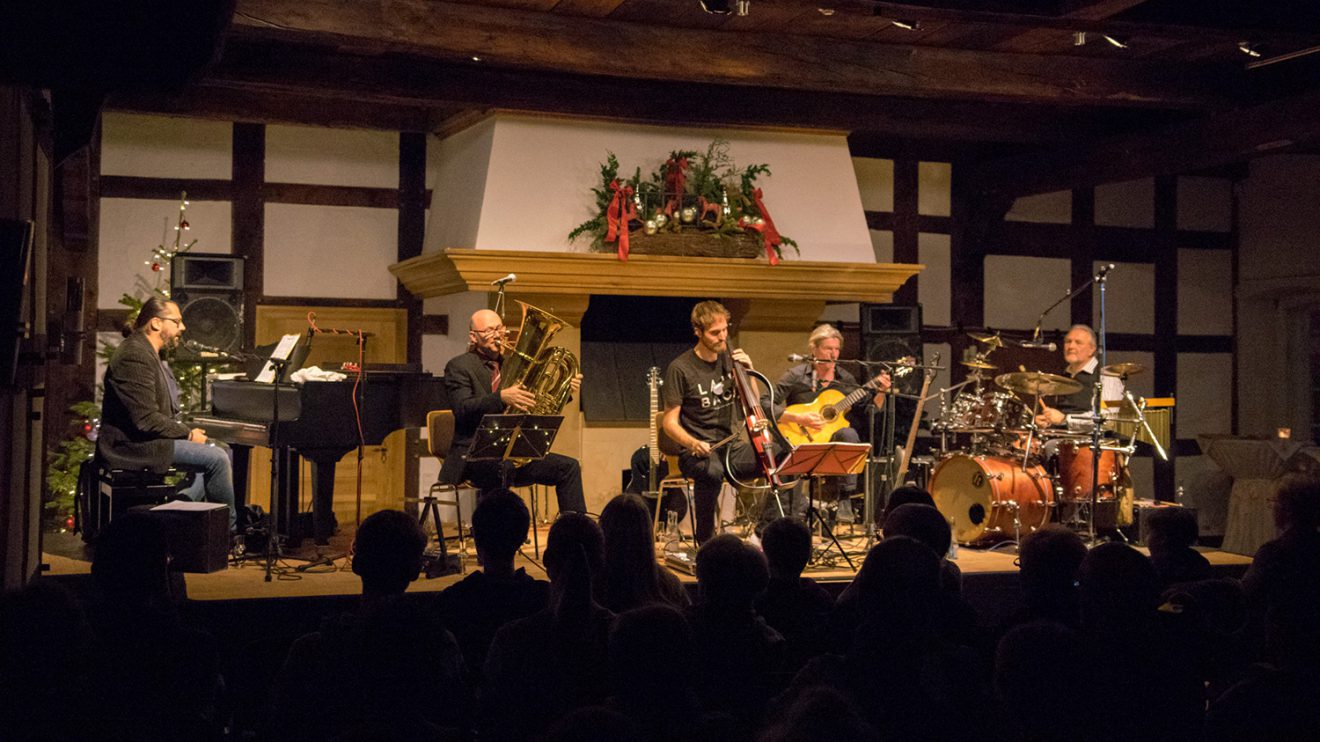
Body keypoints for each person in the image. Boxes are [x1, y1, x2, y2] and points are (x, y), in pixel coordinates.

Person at [99, 297, 236, 531]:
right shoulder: (135, 355)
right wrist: (188, 434)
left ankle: (177, 514)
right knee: (217, 458)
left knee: (222, 450)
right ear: (155, 323)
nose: (182, 328)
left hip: (147, 439)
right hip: (132, 445)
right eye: (177, 321)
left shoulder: (149, 352)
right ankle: (226, 534)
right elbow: (145, 419)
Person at [440, 308, 586, 514]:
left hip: (513, 452)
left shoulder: (512, 364)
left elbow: (533, 403)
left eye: (500, 328)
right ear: (474, 336)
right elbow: (462, 408)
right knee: (502, 468)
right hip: (473, 456)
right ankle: (495, 536)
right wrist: (500, 398)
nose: (497, 335)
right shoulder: (459, 366)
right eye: (489, 331)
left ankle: (576, 532)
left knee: (569, 467)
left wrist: (564, 389)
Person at [661, 300, 777, 544]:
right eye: (715, 333)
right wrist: (693, 443)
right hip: (698, 452)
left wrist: (749, 370)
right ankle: (706, 542)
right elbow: (669, 423)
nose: (722, 337)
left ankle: (763, 532)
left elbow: (753, 401)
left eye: (725, 330)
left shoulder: (731, 360)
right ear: (698, 331)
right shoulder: (680, 368)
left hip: (732, 448)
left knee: (779, 456)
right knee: (712, 472)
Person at [770, 323, 890, 508]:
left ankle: (844, 499)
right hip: (798, 442)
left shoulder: (845, 380)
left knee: (849, 434)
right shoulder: (795, 376)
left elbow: (868, 412)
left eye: (836, 349)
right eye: (828, 349)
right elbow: (765, 403)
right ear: (814, 349)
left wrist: (881, 392)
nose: (833, 354)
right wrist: (799, 418)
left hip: (830, 444)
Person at [1034, 324, 1124, 430]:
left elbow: (1108, 420)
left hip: (1091, 443)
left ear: (1092, 349)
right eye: (1068, 342)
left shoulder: (1107, 377)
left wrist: (1065, 419)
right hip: (1062, 440)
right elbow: (1061, 418)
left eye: (1078, 342)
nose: (1071, 346)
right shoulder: (1064, 376)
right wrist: (1049, 421)